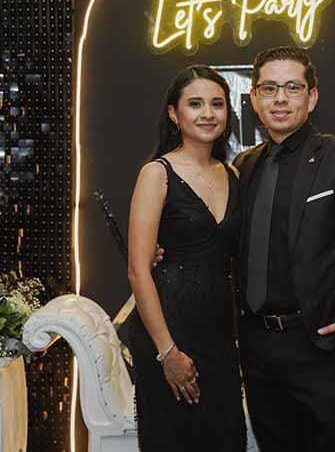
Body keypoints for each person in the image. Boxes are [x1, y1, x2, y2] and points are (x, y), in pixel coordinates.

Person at [233, 46, 335, 451]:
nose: (280, 98)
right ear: (254, 98)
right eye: (269, 88)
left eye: (293, 87)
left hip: (321, 344)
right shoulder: (244, 166)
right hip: (257, 347)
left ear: (312, 96)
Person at [126, 65, 246, 451]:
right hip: (169, 333)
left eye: (217, 104)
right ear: (174, 114)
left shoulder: (233, 175)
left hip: (219, 336)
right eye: (195, 104)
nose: (208, 113)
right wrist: (168, 352)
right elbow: (138, 270)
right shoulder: (156, 174)